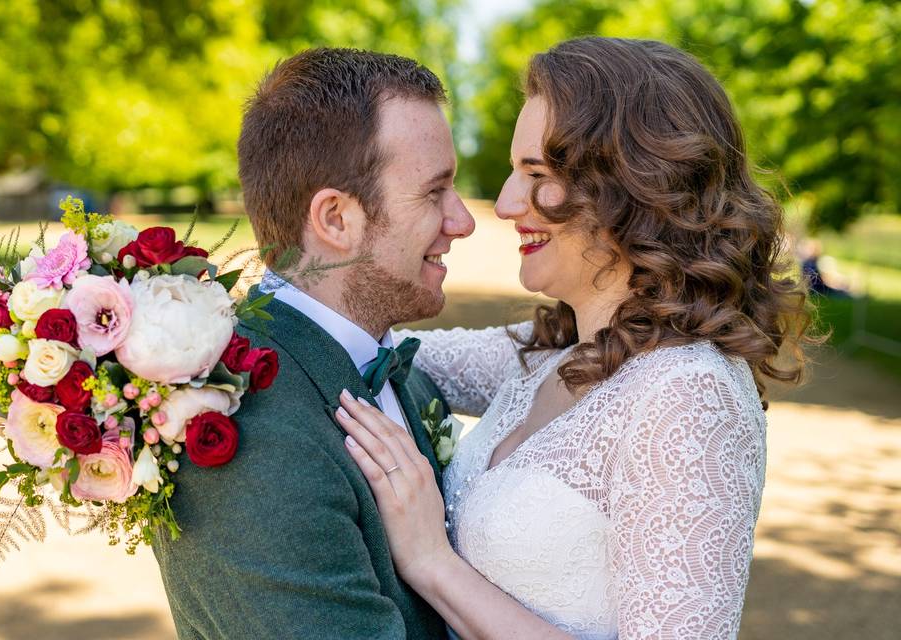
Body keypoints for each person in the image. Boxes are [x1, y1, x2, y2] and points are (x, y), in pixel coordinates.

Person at [335, 37, 813, 639]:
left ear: (635, 189)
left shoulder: (690, 396)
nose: (507, 203)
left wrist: (433, 563)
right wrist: (194, 320)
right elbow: (363, 346)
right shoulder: (549, 352)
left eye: (535, 173)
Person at [153, 48, 474, 639]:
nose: (463, 220)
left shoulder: (401, 371)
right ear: (334, 219)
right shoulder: (244, 435)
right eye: (435, 192)